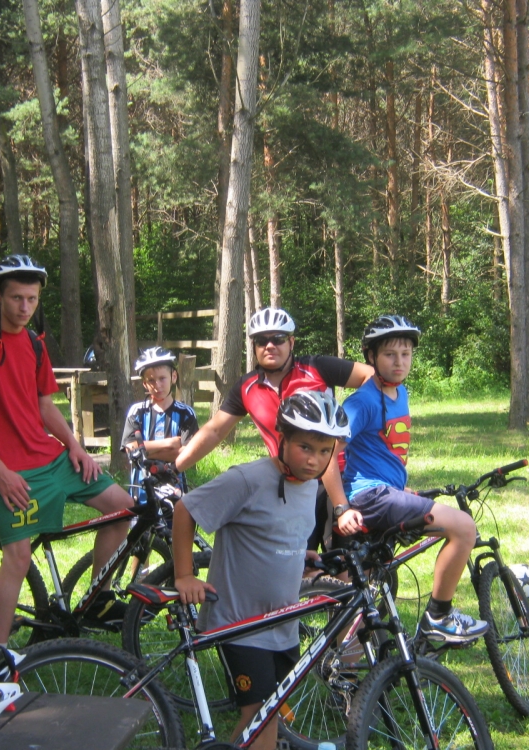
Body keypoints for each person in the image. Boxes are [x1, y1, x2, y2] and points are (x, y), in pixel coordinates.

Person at [0, 255, 133, 645]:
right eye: (16, 298)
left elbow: (45, 405)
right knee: (18, 558)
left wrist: (75, 446)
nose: (25, 308)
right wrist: (0, 473)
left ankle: (98, 601)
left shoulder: (35, 344)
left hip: (52, 458)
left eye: (32, 299)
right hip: (9, 471)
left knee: (123, 509)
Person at [173, 391, 350, 750]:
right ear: (282, 438)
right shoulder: (248, 480)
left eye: (324, 450)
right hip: (241, 624)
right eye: (305, 447)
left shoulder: (310, 486)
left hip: (283, 622)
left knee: (269, 713)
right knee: (260, 716)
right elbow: (185, 510)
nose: (314, 459)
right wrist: (184, 575)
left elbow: (281, 529)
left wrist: (299, 554)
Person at [333, 315, 488, 644]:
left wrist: (399, 489)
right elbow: (327, 455)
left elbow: (380, 450)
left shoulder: (399, 392)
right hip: (370, 497)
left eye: (406, 354)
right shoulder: (361, 402)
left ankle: (345, 670)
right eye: (390, 354)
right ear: (371, 357)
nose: (399, 362)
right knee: (464, 527)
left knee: (360, 595)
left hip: (384, 492)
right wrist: (341, 508)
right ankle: (439, 616)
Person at [173, 307, 373, 549]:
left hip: (338, 476)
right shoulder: (247, 387)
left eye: (278, 338)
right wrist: (175, 467)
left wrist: (347, 423)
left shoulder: (317, 368)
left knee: (345, 561)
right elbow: (214, 431)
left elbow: (370, 377)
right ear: (254, 347)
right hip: (291, 484)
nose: (269, 346)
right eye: (261, 340)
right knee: (298, 559)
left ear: (291, 342)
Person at [121, 346, 198, 504]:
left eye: (162, 378)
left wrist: (143, 451)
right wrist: (170, 444)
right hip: (140, 492)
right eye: (151, 380)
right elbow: (130, 449)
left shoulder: (186, 414)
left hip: (175, 490)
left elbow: (188, 453)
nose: (157, 385)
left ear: (173, 377)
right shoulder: (137, 412)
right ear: (144, 384)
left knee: (176, 520)